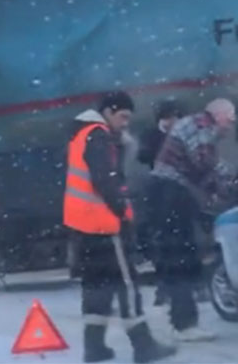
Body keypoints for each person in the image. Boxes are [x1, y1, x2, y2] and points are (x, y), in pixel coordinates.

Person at [65, 91, 176, 363]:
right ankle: (144, 347)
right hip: (105, 226)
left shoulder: (81, 135)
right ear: (109, 111)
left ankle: (94, 347)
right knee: (127, 285)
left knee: (95, 286)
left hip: (84, 227)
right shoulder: (99, 136)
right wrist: (123, 214)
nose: (126, 122)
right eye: (123, 116)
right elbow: (106, 181)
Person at [148, 98, 238, 342]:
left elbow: (207, 177)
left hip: (169, 195)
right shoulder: (199, 126)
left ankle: (182, 321)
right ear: (218, 115)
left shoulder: (201, 132)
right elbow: (204, 163)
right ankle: (184, 325)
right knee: (180, 258)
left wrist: (231, 185)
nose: (233, 122)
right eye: (231, 116)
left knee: (182, 257)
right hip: (169, 195)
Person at [136, 99, 184, 306]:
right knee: (162, 242)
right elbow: (143, 155)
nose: (174, 121)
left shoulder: (182, 135)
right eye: (170, 117)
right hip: (160, 193)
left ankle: (188, 284)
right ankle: (164, 286)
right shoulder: (151, 135)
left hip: (182, 192)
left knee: (184, 241)